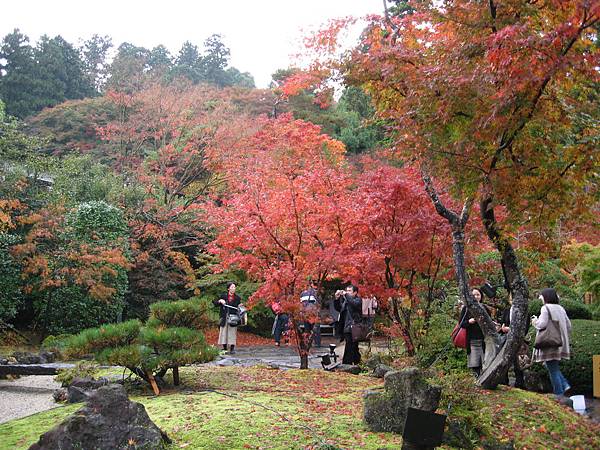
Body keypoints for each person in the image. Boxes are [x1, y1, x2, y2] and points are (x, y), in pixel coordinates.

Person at [531, 288, 572, 397]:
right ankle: (565, 384)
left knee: (552, 370)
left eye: (542, 296)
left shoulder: (545, 308)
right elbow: (569, 326)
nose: (541, 299)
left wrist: (535, 321)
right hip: (559, 343)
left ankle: (559, 394)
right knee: (552, 366)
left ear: (546, 297)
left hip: (549, 343)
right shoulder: (561, 308)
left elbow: (542, 324)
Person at [498, 294, 525, 388]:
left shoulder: (523, 310)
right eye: (511, 298)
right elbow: (502, 323)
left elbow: (524, 327)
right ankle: (504, 381)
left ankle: (520, 383)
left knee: (518, 362)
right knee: (504, 359)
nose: (512, 300)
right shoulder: (506, 310)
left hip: (517, 339)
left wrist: (511, 329)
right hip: (506, 338)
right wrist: (502, 328)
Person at [460, 288, 488, 376]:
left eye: (478, 295)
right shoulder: (466, 308)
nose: (476, 297)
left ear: (481, 296)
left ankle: (484, 382)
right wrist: (469, 321)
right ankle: (476, 382)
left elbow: (489, 322)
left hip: (485, 340)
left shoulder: (485, 308)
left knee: (485, 364)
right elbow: (461, 324)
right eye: (474, 295)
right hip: (472, 340)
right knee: (475, 364)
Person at [334, 284, 363, 365]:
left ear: (355, 292)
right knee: (351, 346)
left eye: (350, 291)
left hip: (354, 327)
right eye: (347, 291)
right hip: (346, 327)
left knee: (351, 346)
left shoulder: (358, 300)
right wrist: (336, 298)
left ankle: (347, 364)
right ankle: (356, 362)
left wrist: (346, 295)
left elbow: (354, 304)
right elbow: (338, 308)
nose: (347, 292)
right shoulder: (346, 301)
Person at [213, 282, 242, 354]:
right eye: (232, 287)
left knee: (232, 332)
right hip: (224, 316)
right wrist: (220, 301)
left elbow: (238, 308)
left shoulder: (237, 298)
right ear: (228, 288)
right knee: (224, 332)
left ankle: (232, 348)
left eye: (234, 287)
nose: (233, 288)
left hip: (233, 317)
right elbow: (215, 303)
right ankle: (224, 347)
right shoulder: (223, 296)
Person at [300, 280, 321, 347]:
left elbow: (301, 304)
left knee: (307, 329)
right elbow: (319, 303)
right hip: (313, 313)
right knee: (315, 329)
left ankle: (308, 343)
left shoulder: (302, 293)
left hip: (305, 313)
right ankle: (317, 343)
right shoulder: (315, 293)